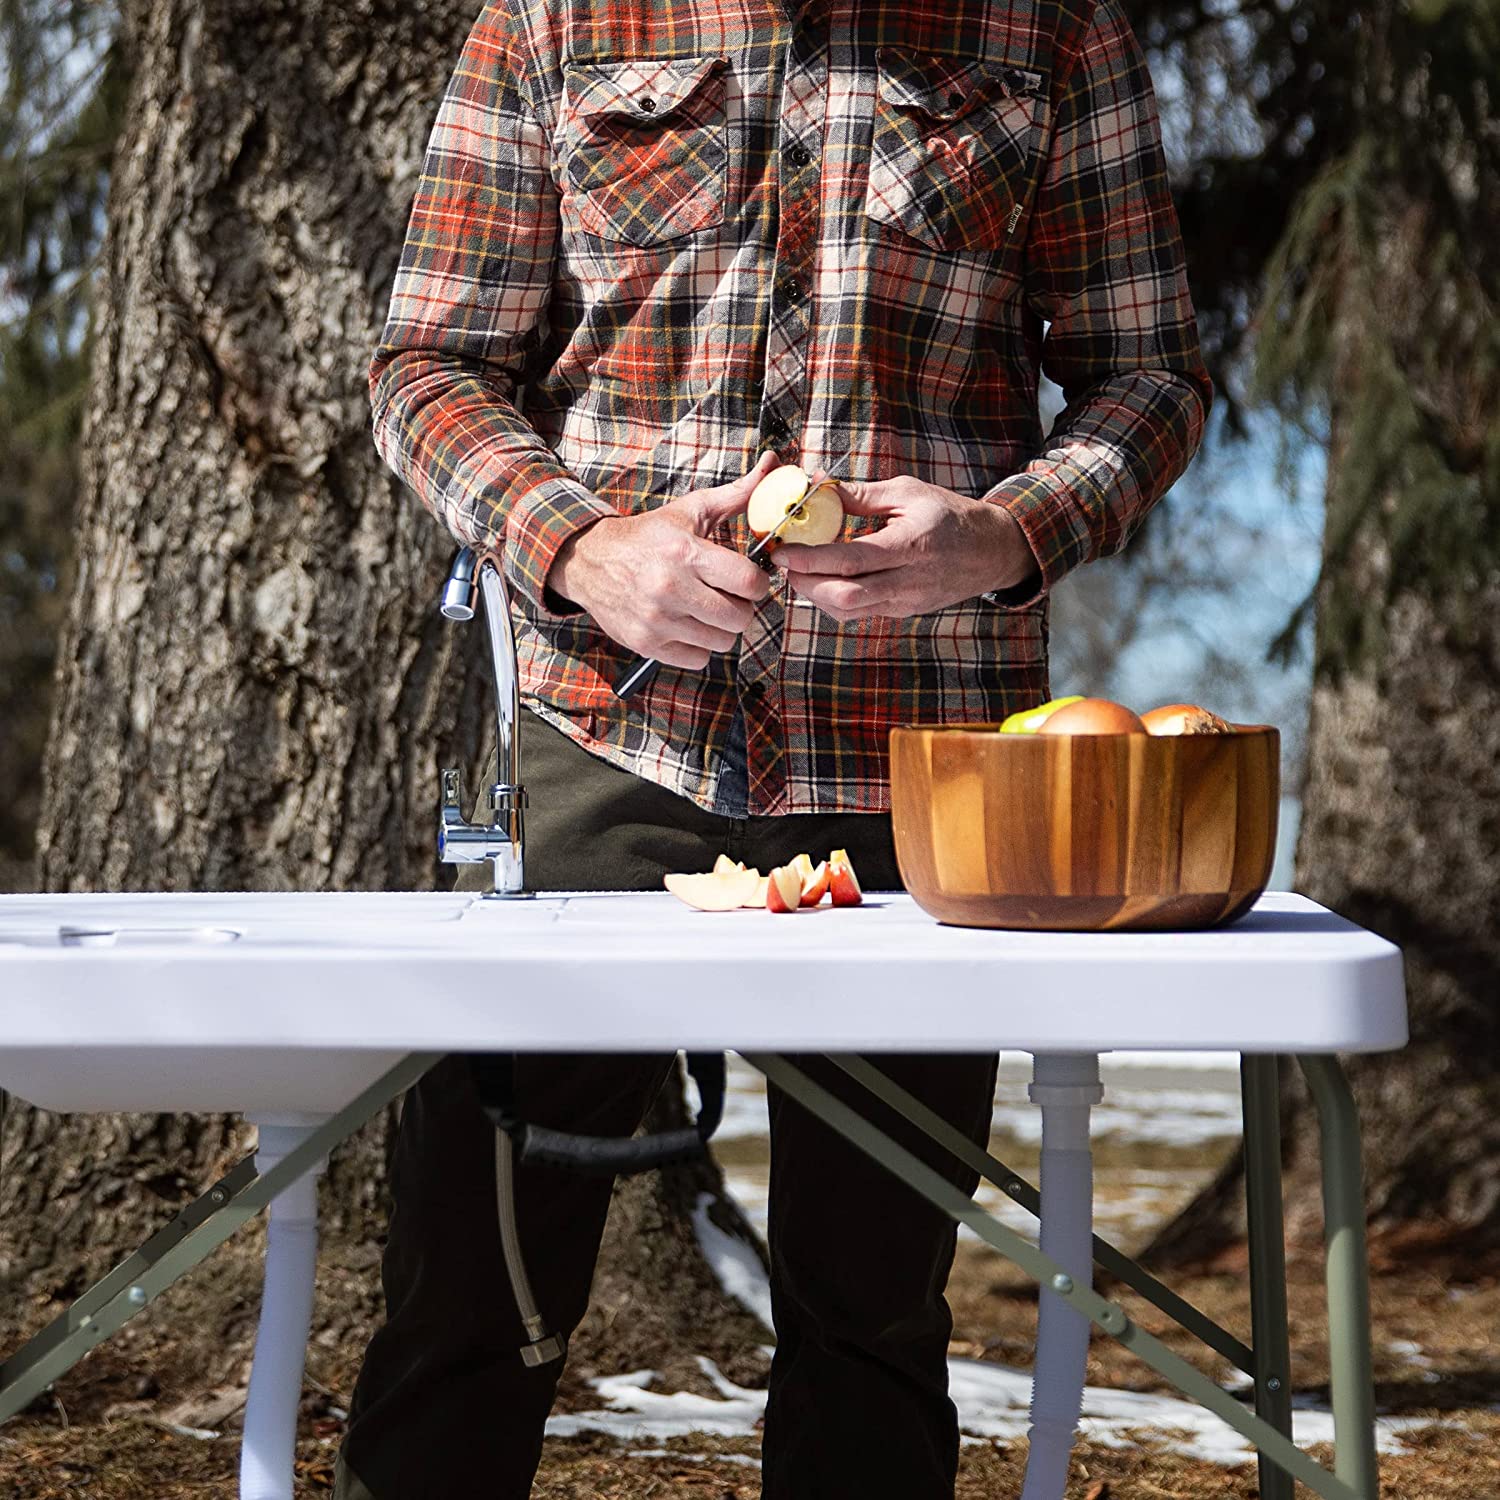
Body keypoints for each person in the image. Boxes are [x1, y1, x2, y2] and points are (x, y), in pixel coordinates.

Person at [335, 0, 1211, 1493]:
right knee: (468, 1286)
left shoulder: (1050, 28)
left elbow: (1153, 378)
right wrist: (587, 547)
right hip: (604, 744)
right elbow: (427, 365)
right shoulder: (554, 16)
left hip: (927, 779)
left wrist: (1002, 537)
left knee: (871, 1317)